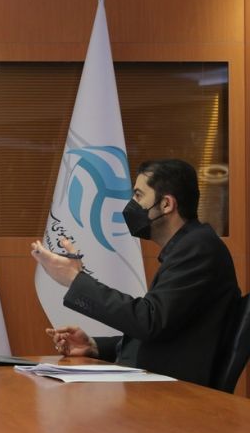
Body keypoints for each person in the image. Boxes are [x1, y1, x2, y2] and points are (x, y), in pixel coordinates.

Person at [31, 159, 240, 387]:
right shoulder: (189, 246)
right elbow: (164, 330)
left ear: (166, 204)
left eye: (138, 196)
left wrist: (74, 279)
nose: (132, 204)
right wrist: (94, 346)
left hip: (176, 393)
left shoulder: (198, 249)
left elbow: (149, 322)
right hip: (159, 386)